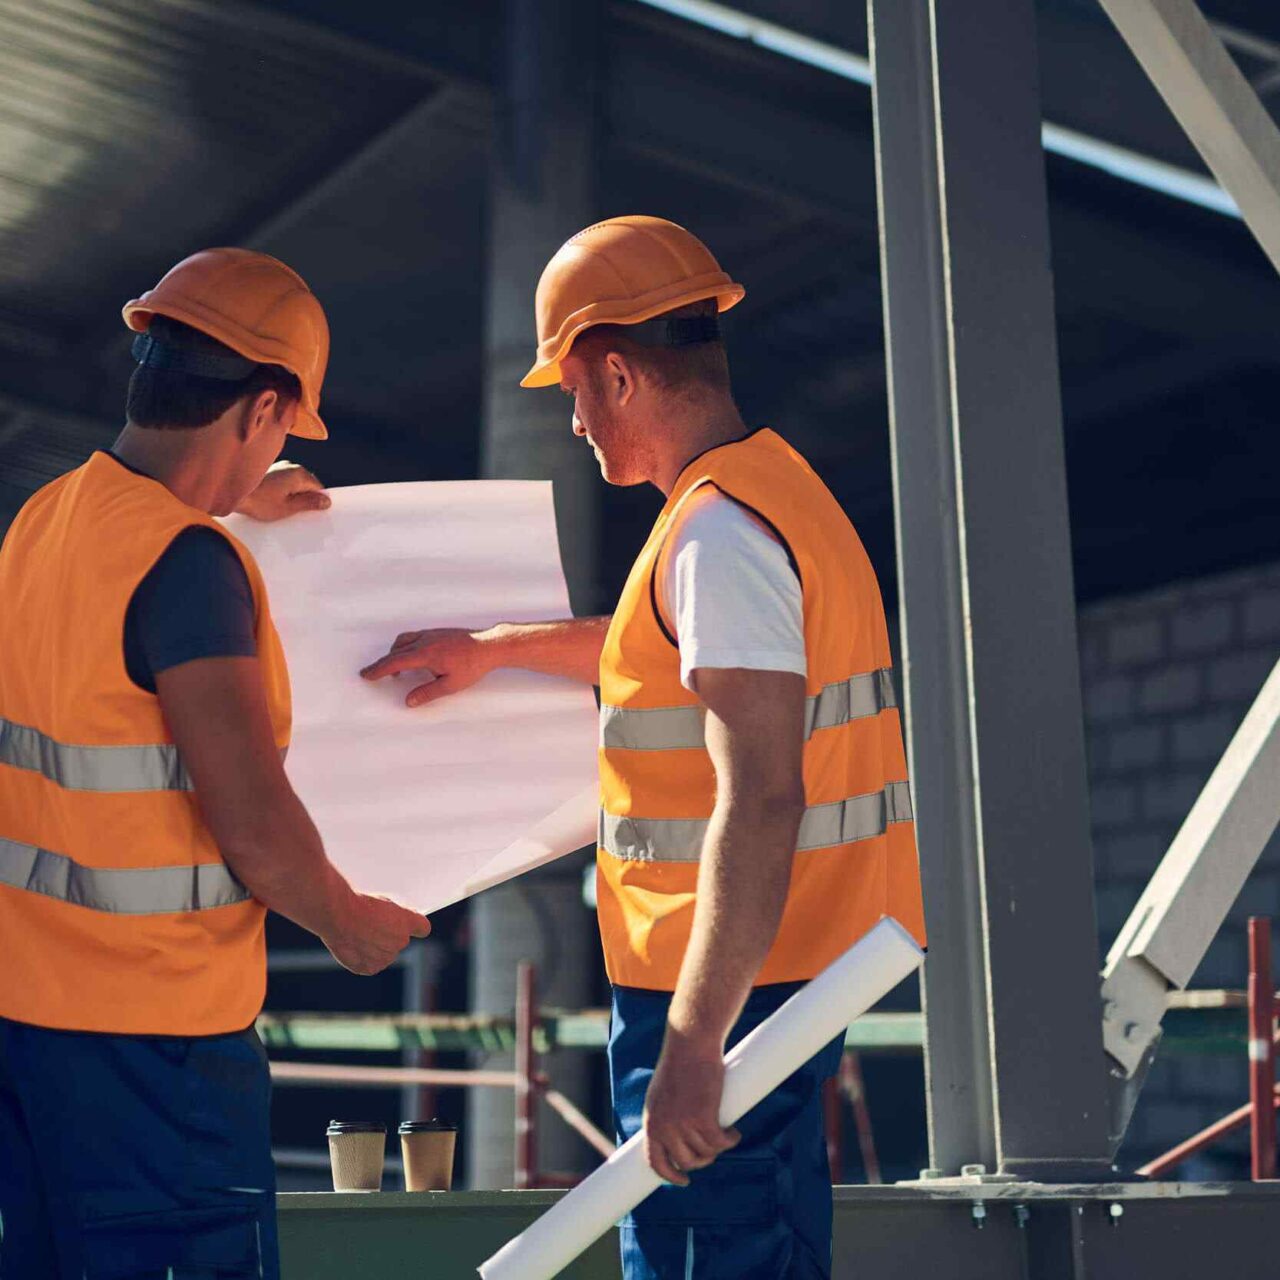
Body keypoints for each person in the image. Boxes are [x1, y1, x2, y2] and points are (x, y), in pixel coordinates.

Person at [362, 215, 925, 1278]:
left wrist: (690, 1043)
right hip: (785, 970)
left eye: (571, 391)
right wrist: (493, 650)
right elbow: (655, 651)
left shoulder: (717, 534)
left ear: (617, 375)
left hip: (729, 992)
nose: (571, 420)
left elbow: (760, 795)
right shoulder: (753, 499)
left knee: (704, 1254)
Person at [0, 247, 430, 1280]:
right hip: (160, 1048)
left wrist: (227, 501)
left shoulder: (45, 519)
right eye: (284, 424)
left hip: (32, 1029)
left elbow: (118, 605)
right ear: (263, 407)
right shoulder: (190, 568)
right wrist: (345, 918)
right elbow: (252, 822)